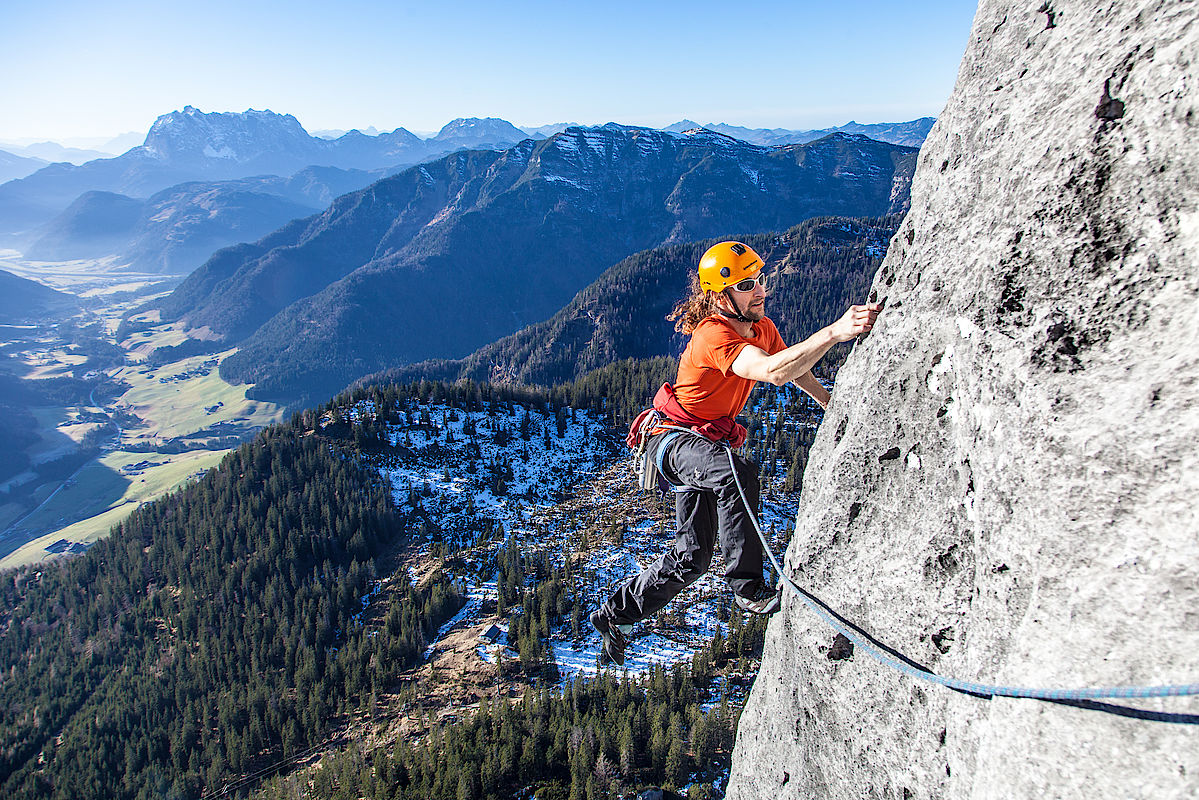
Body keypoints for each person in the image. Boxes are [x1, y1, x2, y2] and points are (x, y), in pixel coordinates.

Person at [590, 240, 882, 666]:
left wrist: (829, 403)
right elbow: (771, 371)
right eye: (746, 284)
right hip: (671, 440)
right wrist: (836, 331)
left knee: (692, 557)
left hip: (702, 441)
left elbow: (792, 365)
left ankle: (616, 614)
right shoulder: (714, 335)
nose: (759, 290)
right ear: (720, 295)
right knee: (734, 472)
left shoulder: (759, 326)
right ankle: (748, 588)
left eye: (759, 280)